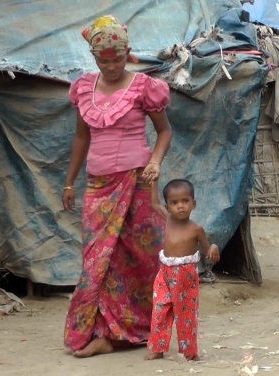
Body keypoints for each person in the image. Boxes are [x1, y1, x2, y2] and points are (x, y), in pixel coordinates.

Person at [62, 15, 173, 357]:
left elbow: (164, 132)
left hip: (137, 184)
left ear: (128, 54)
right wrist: (69, 183)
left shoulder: (143, 87)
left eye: (117, 59)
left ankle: (130, 331)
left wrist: (154, 162)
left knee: (137, 259)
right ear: (94, 59)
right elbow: (81, 138)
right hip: (97, 186)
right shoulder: (84, 88)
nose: (110, 67)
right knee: (98, 260)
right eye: (102, 61)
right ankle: (101, 332)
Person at [145, 179, 220, 361]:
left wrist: (214, 248)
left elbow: (207, 249)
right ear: (168, 206)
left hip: (186, 276)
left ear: (193, 204)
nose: (180, 206)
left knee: (186, 314)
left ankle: (188, 351)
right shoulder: (168, 220)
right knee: (160, 309)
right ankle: (157, 347)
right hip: (165, 272)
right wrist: (154, 180)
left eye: (185, 201)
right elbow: (154, 202)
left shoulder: (196, 229)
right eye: (174, 202)